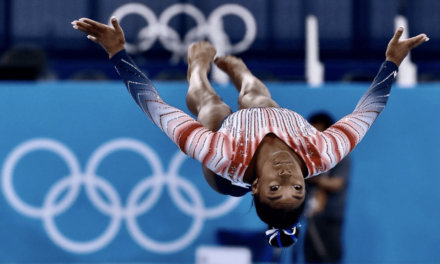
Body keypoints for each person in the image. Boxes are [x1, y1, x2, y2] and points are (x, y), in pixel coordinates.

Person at [71, 17, 428, 248]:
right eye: (297, 187)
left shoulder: (222, 156)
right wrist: (392, 62)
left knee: (211, 107)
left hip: (227, 171)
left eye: (275, 189)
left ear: (256, 187)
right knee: (259, 100)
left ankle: (197, 67)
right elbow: (370, 109)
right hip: (263, 121)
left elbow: (156, 108)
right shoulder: (322, 152)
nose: (288, 177)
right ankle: (242, 73)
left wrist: (117, 53)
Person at [303, 112, 351, 263]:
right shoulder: (308, 157)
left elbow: (336, 183)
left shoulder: (341, 156)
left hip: (330, 216)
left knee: (329, 256)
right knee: (310, 257)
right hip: (311, 216)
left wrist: (314, 178)